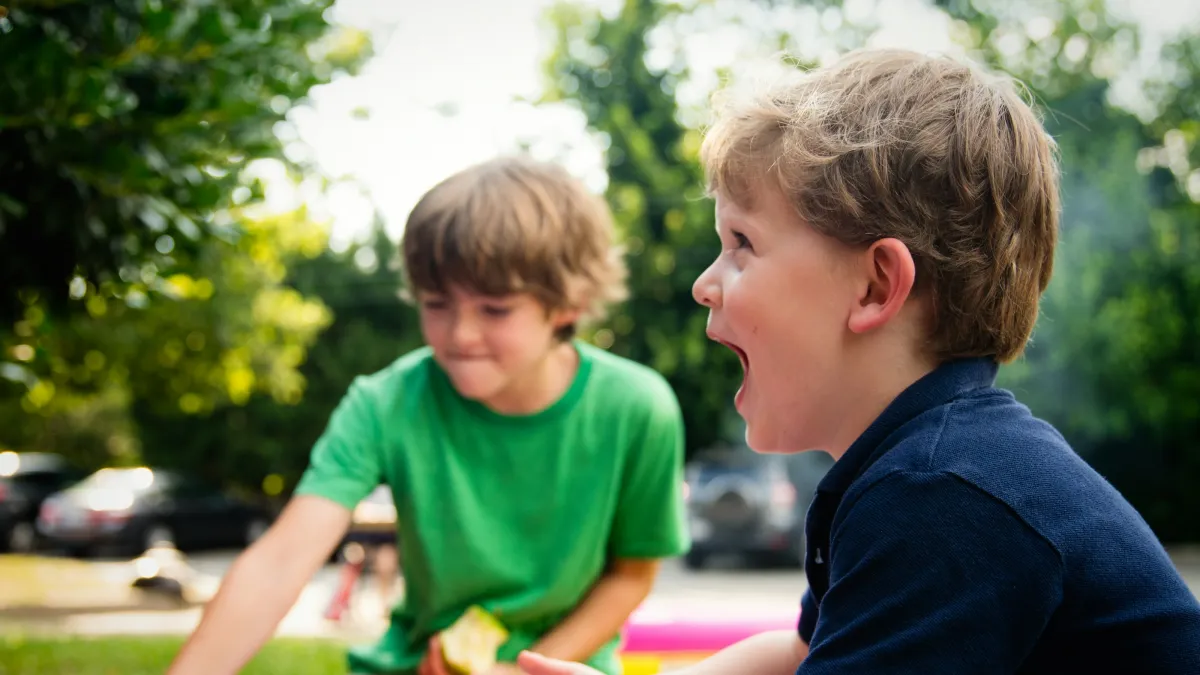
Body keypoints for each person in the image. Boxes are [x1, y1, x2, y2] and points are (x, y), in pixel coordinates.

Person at [517, 48, 1200, 675]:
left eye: (741, 242)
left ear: (875, 287)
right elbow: (800, 652)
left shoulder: (942, 495)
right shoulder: (926, 463)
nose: (704, 281)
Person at [166, 156, 690, 675]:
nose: (459, 335)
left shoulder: (638, 407)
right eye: (437, 303)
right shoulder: (385, 403)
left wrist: (525, 669)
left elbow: (631, 574)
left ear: (568, 304)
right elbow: (279, 563)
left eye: (495, 309)